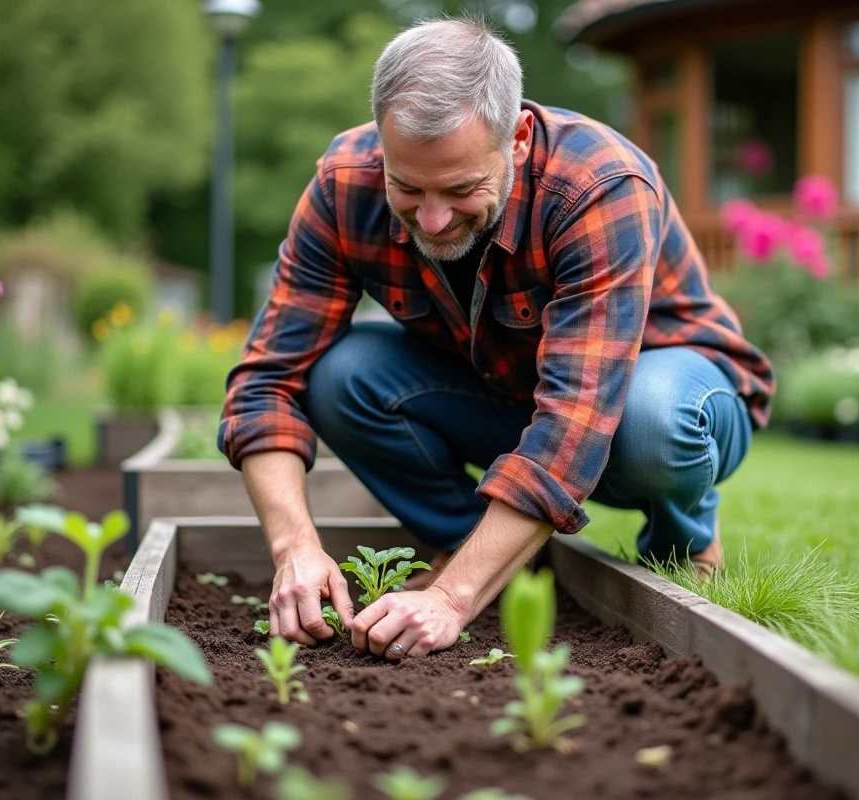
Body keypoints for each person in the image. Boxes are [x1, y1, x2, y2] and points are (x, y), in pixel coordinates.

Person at [217, 15, 774, 662]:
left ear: (517, 138)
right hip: (504, 394)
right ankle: (481, 552)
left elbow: (574, 420)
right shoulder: (345, 184)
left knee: (655, 419)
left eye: (460, 189)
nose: (430, 218)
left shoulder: (598, 187)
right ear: (382, 141)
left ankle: (683, 546)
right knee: (341, 375)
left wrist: (450, 601)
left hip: (664, 399)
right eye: (407, 187)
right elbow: (265, 382)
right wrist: (295, 550)